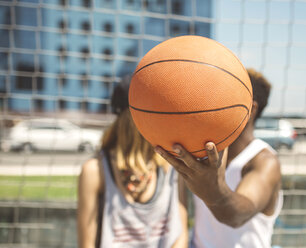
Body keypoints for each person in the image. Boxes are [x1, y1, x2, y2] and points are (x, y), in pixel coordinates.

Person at [155, 68, 283, 248]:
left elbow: (237, 216)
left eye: (223, 99)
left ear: (249, 109)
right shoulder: (203, 152)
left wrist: (214, 190)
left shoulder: (264, 161)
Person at [77, 78, 188, 248]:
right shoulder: (95, 170)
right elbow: (87, 244)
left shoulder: (171, 164)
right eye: (156, 111)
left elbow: (180, 234)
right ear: (133, 117)